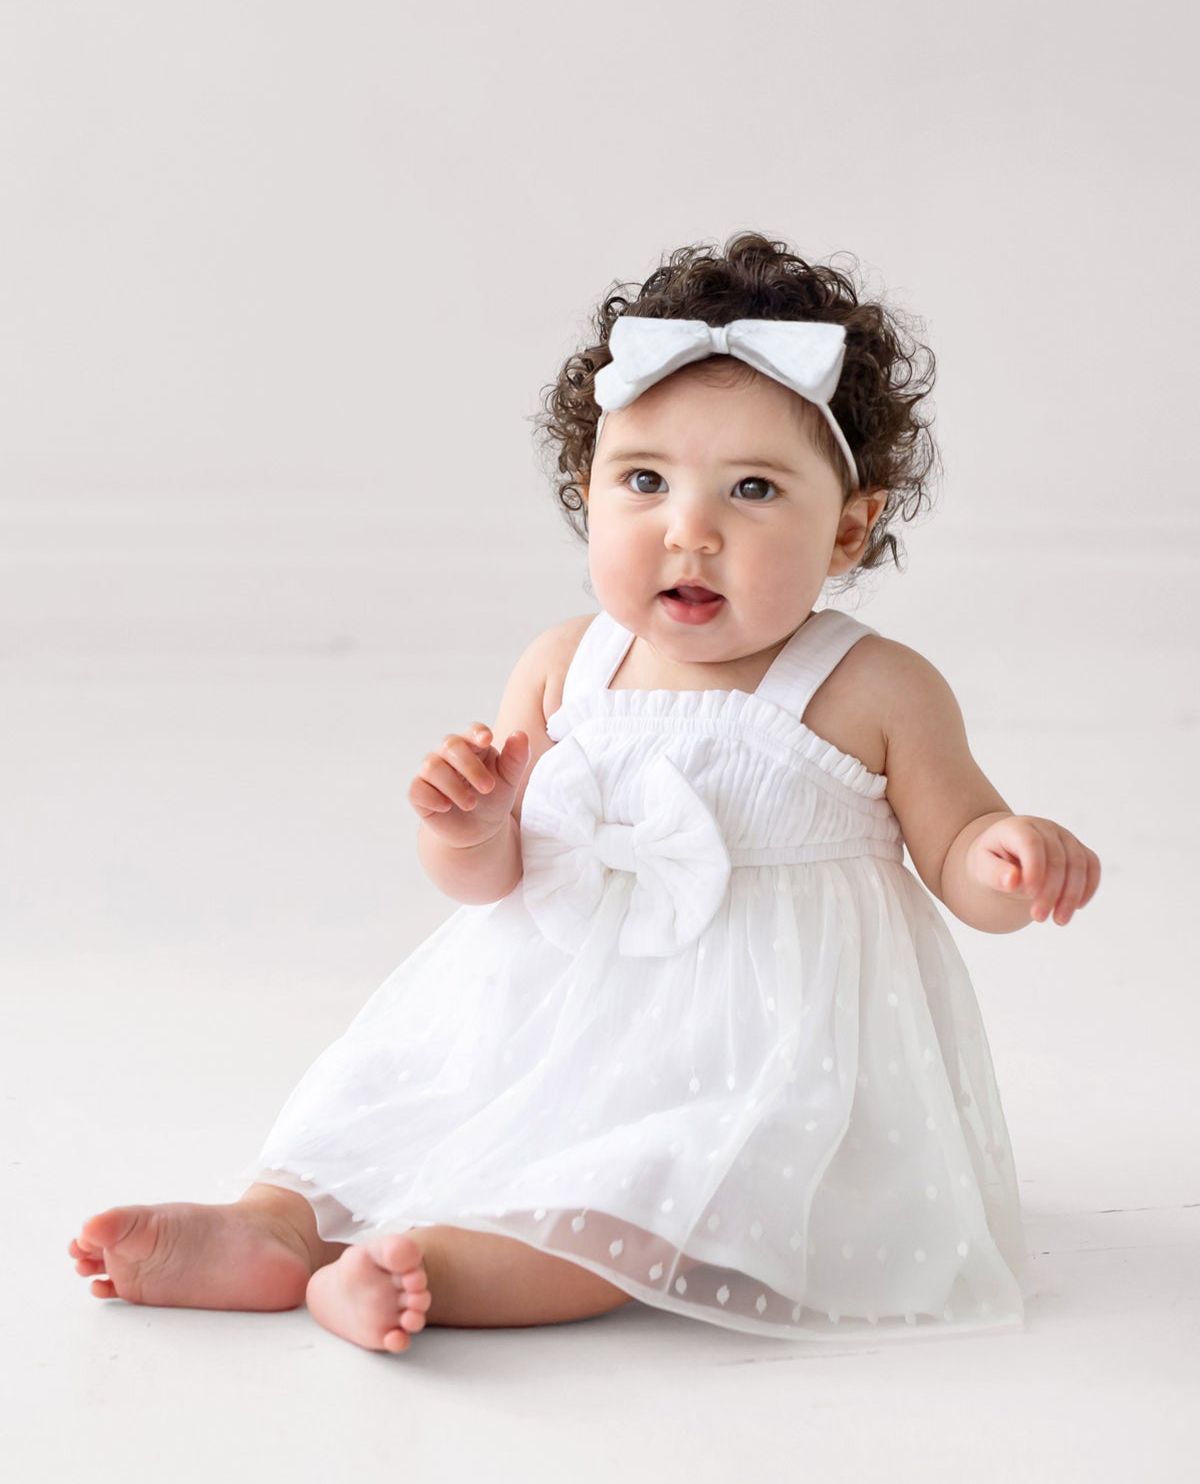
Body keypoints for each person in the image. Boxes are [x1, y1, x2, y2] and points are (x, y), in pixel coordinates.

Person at [68, 231, 1100, 1353]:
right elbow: (490, 881)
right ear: (587, 489)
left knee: (647, 1199)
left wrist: (1010, 854)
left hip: (747, 1059)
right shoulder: (567, 662)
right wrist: (467, 826)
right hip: (533, 1016)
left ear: (850, 523)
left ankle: (428, 1269)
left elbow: (957, 862)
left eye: (753, 489)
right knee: (395, 1097)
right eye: (644, 481)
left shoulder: (873, 687)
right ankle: (272, 1223)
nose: (688, 529)